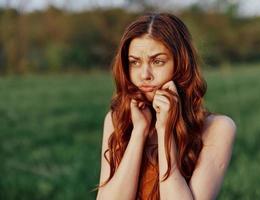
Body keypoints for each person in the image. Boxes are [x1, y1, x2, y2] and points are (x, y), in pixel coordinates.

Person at [96, 12, 236, 200]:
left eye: (158, 61)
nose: (145, 74)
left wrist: (165, 130)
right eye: (134, 62)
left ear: (181, 64)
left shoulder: (218, 128)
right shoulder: (117, 120)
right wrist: (139, 131)